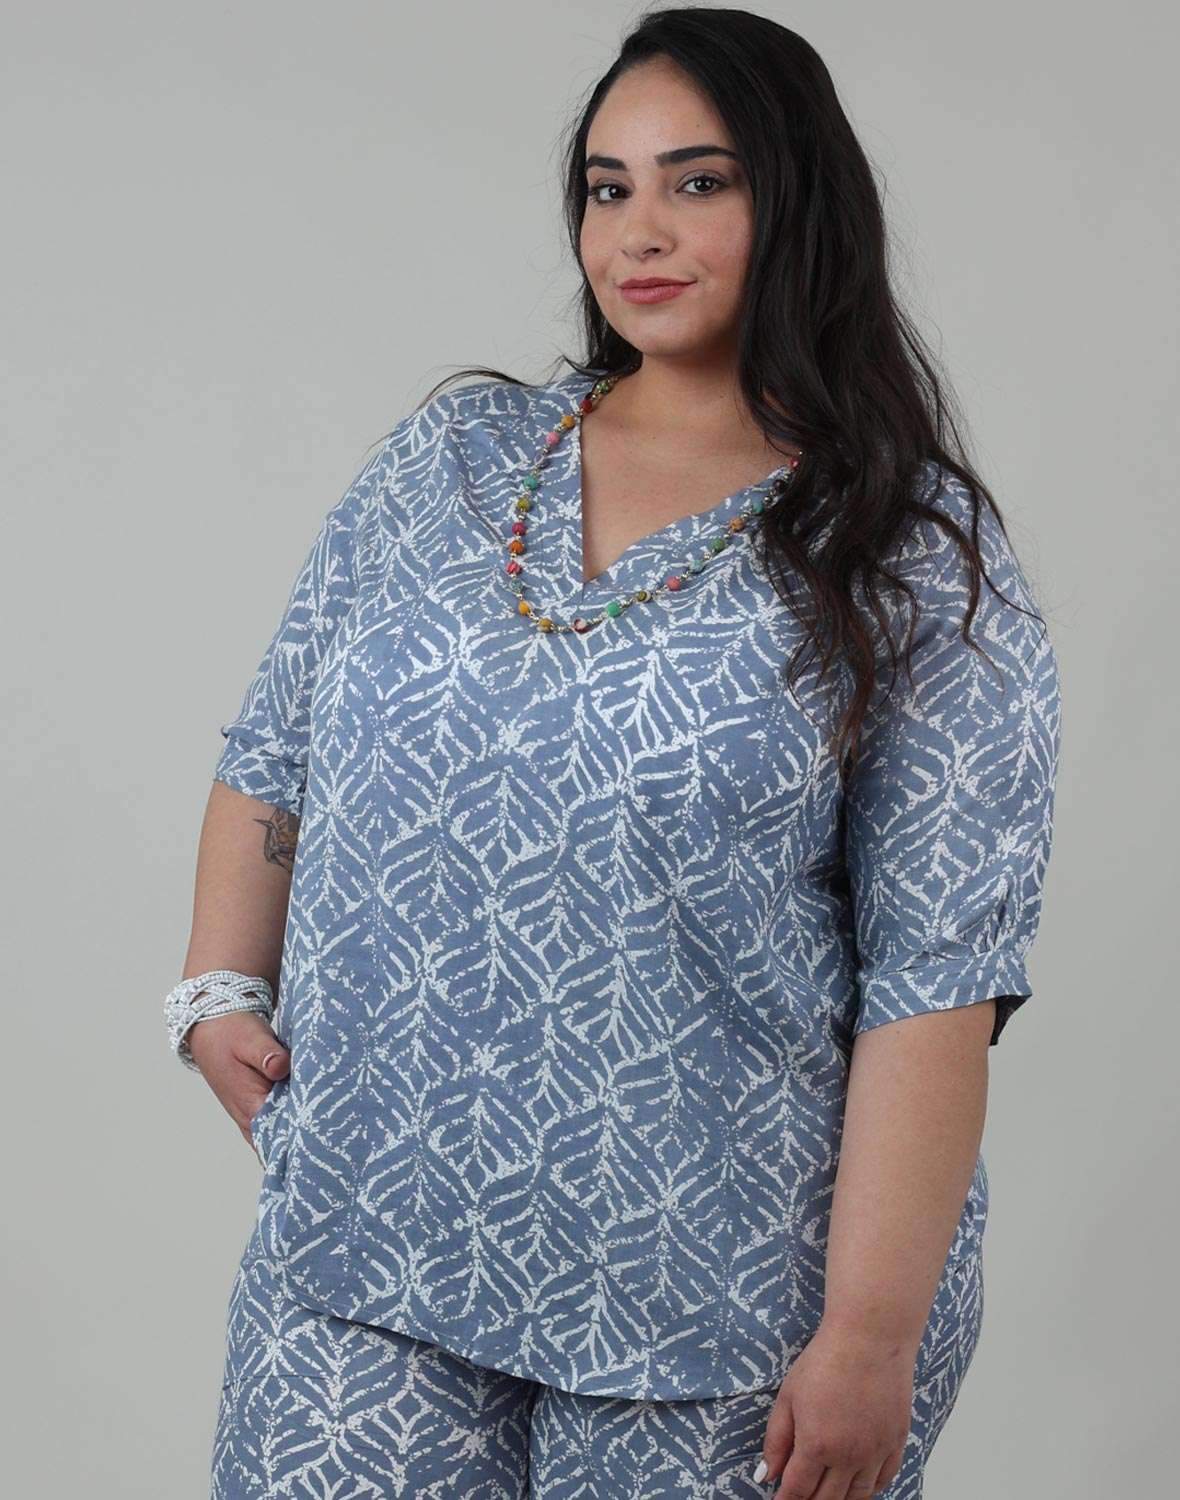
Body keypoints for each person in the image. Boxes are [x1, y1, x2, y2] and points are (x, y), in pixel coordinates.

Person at [169, 10, 1062, 1498]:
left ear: (798, 203)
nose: (639, 230)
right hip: (368, 1246)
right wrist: (214, 993)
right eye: (608, 187)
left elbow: (937, 976)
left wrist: (868, 1337)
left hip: (722, 1300)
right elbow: (282, 738)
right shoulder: (452, 464)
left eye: (699, 182)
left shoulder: (906, 551)